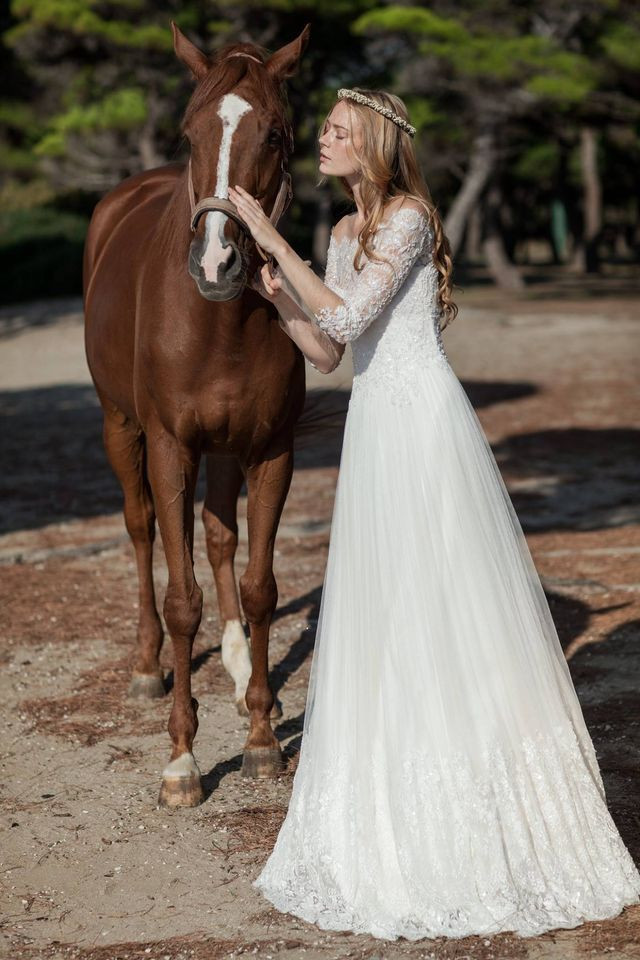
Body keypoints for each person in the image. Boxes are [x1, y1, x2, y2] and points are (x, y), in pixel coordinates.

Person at [227, 88, 640, 941]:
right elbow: (332, 348)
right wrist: (278, 298)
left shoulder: (409, 218)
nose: (324, 144)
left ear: (373, 141)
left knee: (446, 602)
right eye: (327, 133)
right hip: (375, 431)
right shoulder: (341, 234)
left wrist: (269, 237)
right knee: (387, 612)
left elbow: (350, 312)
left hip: (424, 430)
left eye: (338, 133)